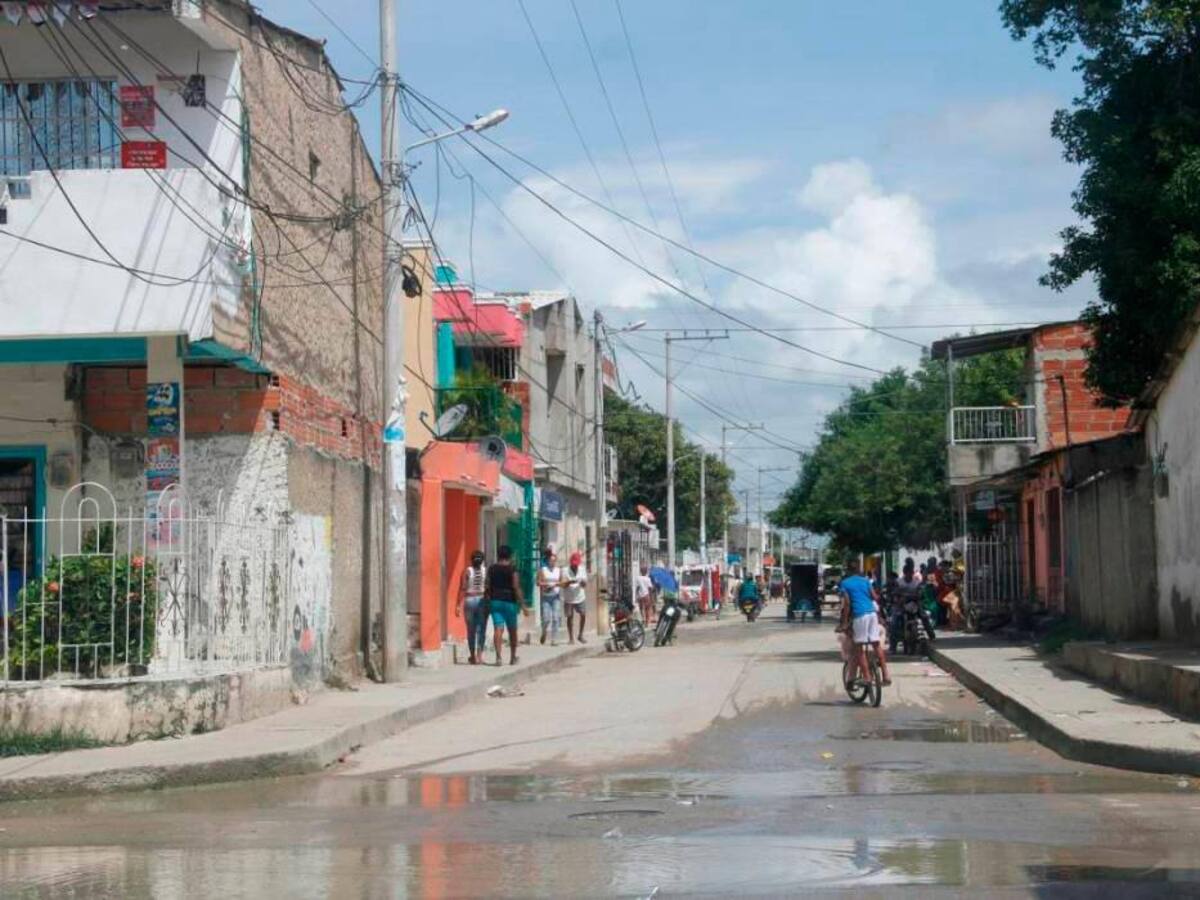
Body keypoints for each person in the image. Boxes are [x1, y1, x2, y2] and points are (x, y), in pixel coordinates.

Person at [838, 559, 891, 687]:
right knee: (876, 644)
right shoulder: (866, 581)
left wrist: (844, 623)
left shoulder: (845, 583)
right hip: (872, 614)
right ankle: (886, 674)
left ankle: (867, 677)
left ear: (848, 570)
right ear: (858, 570)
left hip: (859, 615)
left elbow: (847, 604)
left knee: (859, 648)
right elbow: (874, 597)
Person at [486, 545, 528, 665]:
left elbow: (487, 585)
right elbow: (516, 586)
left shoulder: (491, 569)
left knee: (498, 629)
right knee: (512, 630)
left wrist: (488, 599)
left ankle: (498, 657)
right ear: (509, 556)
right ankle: (513, 657)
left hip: (495, 601)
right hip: (509, 602)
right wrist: (523, 605)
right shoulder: (512, 569)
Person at [889, 558, 936, 653]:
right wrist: (897, 597)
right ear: (904, 573)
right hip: (901, 605)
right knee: (893, 623)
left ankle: (931, 635)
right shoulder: (899, 582)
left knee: (924, 616)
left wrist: (918, 595)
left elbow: (920, 593)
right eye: (907, 573)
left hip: (914, 604)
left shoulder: (916, 582)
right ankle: (893, 646)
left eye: (911, 573)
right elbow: (894, 593)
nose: (909, 575)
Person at [456, 550, 489, 665]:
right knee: (481, 629)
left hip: (469, 600)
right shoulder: (486, 571)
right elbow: (488, 587)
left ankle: (472, 656)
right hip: (482, 600)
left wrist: (458, 605)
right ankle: (480, 656)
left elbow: (462, 588)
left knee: (471, 630)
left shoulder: (467, 571)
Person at [537, 548, 564, 646]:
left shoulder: (558, 570)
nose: (552, 562)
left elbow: (562, 582)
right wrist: (545, 585)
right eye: (550, 561)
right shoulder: (543, 570)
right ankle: (544, 632)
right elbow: (538, 582)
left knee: (556, 618)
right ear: (548, 561)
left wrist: (558, 584)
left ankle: (554, 639)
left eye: (553, 561)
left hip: (556, 596)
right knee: (546, 618)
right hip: (546, 597)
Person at [563, 551, 588, 644]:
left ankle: (580, 634)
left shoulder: (582, 569)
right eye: (573, 565)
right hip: (569, 597)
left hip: (580, 596)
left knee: (583, 614)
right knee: (569, 617)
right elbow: (563, 584)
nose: (575, 566)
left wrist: (582, 582)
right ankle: (571, 638)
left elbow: (585, 584)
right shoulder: (565, 570)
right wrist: (569, 582)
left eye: (576, 565)